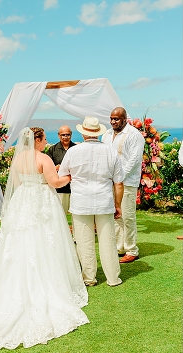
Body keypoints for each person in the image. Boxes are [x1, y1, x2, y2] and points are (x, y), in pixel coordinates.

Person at [0, 127, 88, 350]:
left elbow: (17, 183)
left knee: (20, 242)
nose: (44, 143)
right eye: (43, 140)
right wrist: (69, 176)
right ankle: (48, 281)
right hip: (42, 202)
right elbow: (54, 182)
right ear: (39, 140)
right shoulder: (43, 158)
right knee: (45, 241)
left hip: (22, 201)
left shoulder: (19, 157)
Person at [59, 116, 124, 287]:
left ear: (83, 133)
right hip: (104, 201)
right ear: (97, 133)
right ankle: (113, 278)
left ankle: (89, 277)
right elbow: (118, 183)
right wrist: (118, 205)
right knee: (108, 240)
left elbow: (63, 175)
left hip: (81, 201)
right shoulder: (110, 151)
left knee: (84, 241)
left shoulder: (73, 152)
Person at [102, 107, 144, 263]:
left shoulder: (134, 135)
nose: (113, 121)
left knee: (128, 216)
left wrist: (118, 177)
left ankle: (132, 250)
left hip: (127, 181)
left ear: (125, 119)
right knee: (116, 215)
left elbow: (134, 160)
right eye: (112, 118)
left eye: (117, 119)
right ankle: (120, 247)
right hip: (111, 181)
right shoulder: (106, 134)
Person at [45, 125, 77, 214]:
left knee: (77, 216)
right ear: (59, 135)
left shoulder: (76, 149)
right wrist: (56, 168)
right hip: (59, 189)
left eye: (68, 135)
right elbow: (46, 168)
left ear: (71, 134)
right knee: (59, 215)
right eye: (63, 135)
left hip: (75, 188)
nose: (65, 137)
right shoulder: (52, 150)